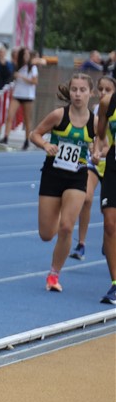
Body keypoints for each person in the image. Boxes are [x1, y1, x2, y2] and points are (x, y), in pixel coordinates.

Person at [27, 72, 96, 293]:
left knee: (67, 227)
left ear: (90, 93)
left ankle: (54, 274)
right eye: (74, 89)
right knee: (46, 234)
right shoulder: (59, 115)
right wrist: (45, 145)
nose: (78, 94)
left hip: (77, 176)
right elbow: (34, 134)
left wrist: (96, 153)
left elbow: (101, 146)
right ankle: (57, 214)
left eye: (82, 90)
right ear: (70, 91)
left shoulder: (95, 122)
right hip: (53, 174)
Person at [72, 74, 116, 261]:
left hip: (111, 162)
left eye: (108, 89)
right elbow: (95, 136)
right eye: (101, 89)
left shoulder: (112, 107)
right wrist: (93, 149)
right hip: (96, 163)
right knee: (87, 198)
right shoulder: (97, 109)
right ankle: (81, 244)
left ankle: (109, 239)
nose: (103, 92)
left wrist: (104, 151)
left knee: (109, 215)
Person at [91, 81, 116, 304]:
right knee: (109, 224)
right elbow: (100, 132)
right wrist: (99, 149)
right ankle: (115, 283)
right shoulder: (108, 102)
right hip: (113, 166)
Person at [0, 47, 37, 150]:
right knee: (10, 115)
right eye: (24, 54)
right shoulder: (17, 66)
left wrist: (22, 77)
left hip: (28, 96)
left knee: (27, 119)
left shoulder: (32, 67)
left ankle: (27, 141)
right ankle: (5, 137)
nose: (26, 56)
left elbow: (34, 81)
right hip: (17, 95)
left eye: (27, 55)